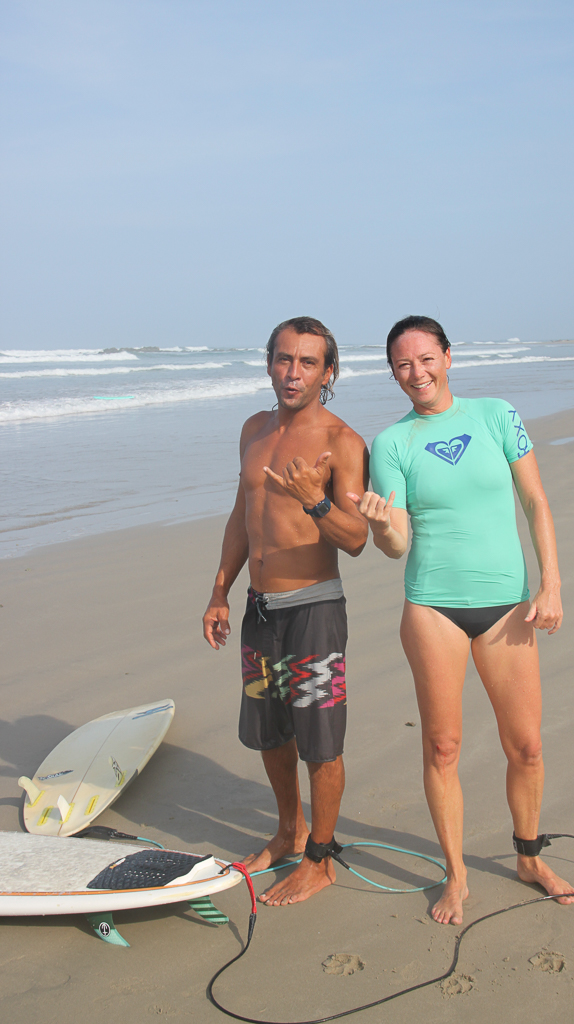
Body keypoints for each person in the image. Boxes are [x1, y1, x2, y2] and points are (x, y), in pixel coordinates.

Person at [348, 315, 574, 925]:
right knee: (443, 745)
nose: (416, 373)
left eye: (426, 358)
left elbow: (535, 500)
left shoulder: (496, 415)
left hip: (507, 602)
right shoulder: (392, 444)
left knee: (525, 746)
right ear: (393, 373)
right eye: (402, 364)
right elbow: (396, 543)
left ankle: (529, 856)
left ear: (448, 357)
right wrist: (378, 522)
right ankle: (456, 873)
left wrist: (550, 583)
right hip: (433, 607)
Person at [203, 316, 368, 906]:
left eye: (306, 362)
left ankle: (320, 858)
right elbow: (241, 516)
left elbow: (355, 539)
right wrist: (221, 590)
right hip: (258, 609)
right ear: (269, 361)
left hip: (313, 609)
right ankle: (289, 830)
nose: (291, 372)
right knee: (271, 733)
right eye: (282, 359)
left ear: (329, 372)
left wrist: (316, 501)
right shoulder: (252, 429)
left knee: (320, 742)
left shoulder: (343, 442)